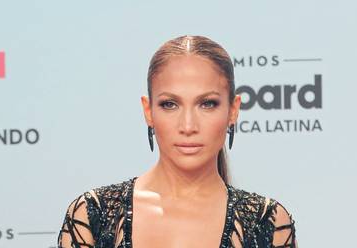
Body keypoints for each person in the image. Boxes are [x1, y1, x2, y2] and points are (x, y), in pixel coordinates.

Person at [57, 35, 297, 248]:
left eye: (207, 104)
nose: (188, 126)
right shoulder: (93, 216)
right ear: (148, 111)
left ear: (233, 110)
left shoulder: (268, 222)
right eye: (170, 104)